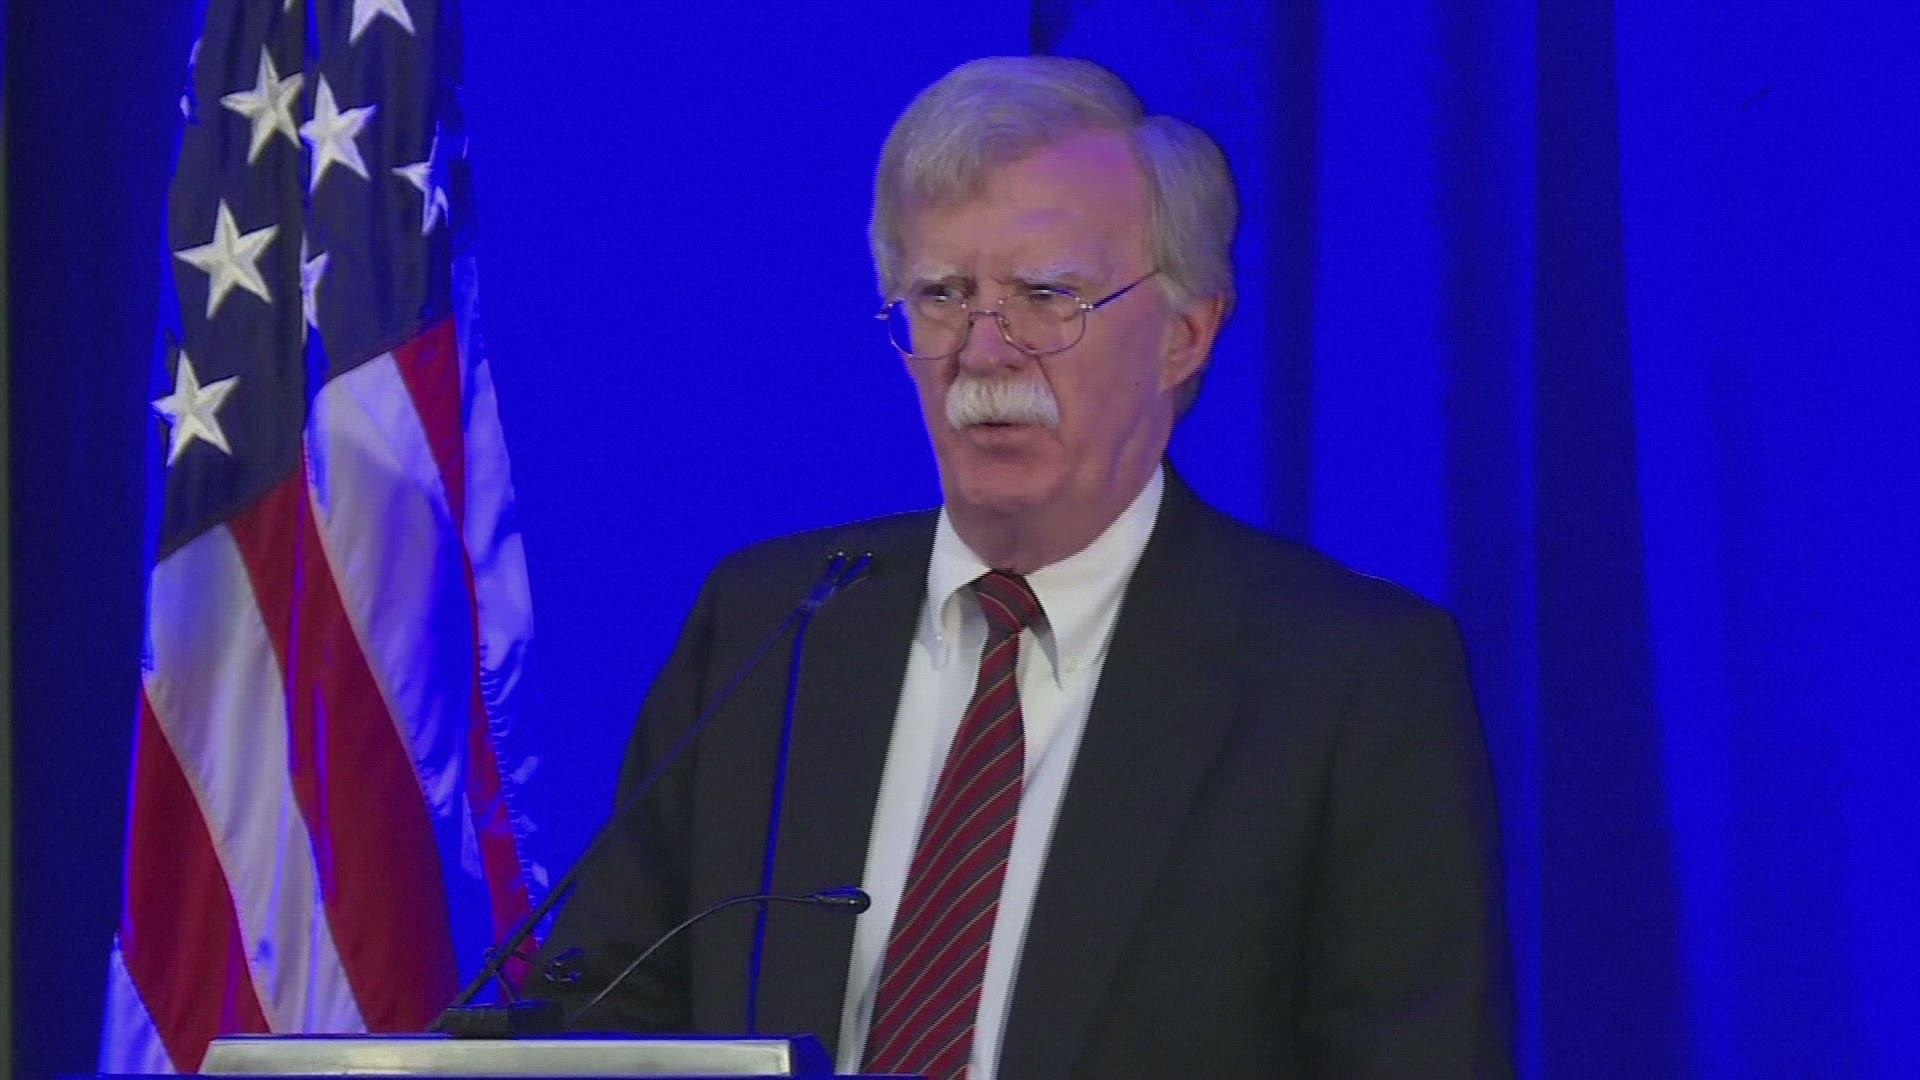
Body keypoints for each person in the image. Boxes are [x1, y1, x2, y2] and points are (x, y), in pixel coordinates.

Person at [540, 55, 1512, 1079]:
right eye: (942, 296)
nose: (984, 352)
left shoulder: (1346, 679)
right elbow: (604, 1017)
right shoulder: (772, 622)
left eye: (1048, 296)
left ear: (1185, 335)